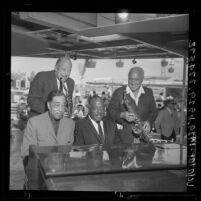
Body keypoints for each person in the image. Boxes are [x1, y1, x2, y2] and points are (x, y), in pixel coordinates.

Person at [21, 90, 75, 164]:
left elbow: (69, 152)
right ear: (49, 105)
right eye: (57, 105)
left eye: (63, 105)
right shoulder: (34, 123)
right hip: (40, 171)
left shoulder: (70, 124)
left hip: (63, 171)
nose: (61, 109)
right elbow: (26, 154)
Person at [107, 67, 158, 144]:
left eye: (136, 79)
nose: (133, 82)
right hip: (123, 139)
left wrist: (149, 121)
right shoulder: (118, 92)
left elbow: (154, 112)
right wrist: (122, 115)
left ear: (142, 79)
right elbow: (109, 111)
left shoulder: (149, 92)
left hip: (144, 138)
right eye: (130, 79)